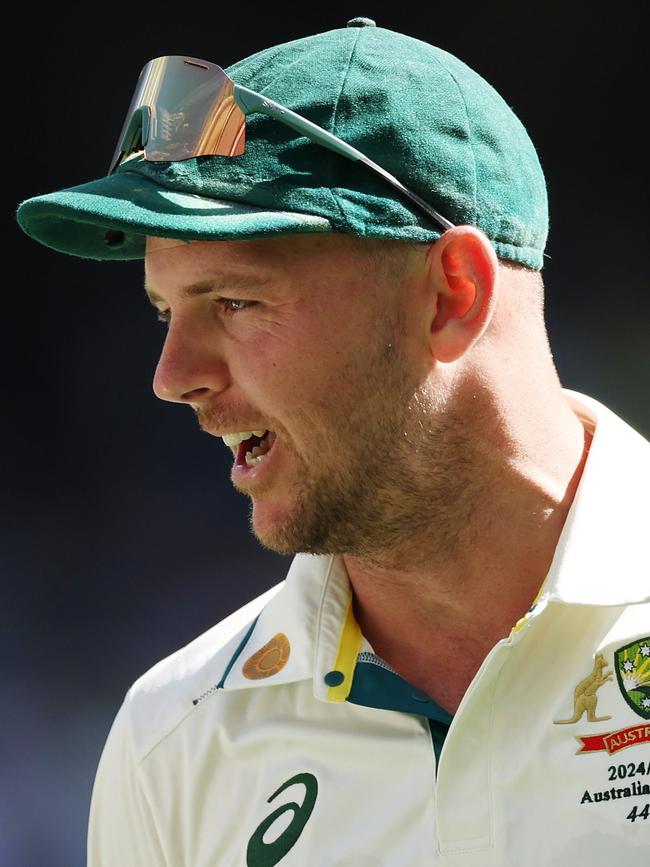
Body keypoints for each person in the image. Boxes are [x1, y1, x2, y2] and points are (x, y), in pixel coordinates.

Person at [15, 17, 649, 867]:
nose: (172, 376)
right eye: (166, 313)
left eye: (233, 301)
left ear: (452, 295)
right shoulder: (173, 737)